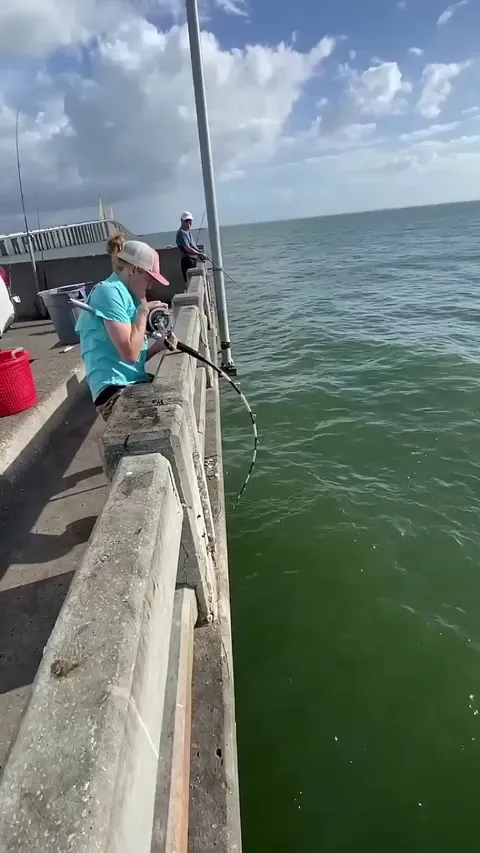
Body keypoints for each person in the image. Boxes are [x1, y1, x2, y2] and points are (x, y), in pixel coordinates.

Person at [76, 235, 177, 422]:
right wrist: (143, 313)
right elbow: (129, 355)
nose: (151, 284)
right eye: (149, 278)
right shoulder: (108, 292)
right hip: (114, 391)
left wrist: (159, 346)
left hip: (132, 383)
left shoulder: (130, 296)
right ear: (133, 270)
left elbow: (134, 357)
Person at [175, 212, 205, 283]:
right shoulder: (181, 233)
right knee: (189, 281)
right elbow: (187, 248)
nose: (188, 223)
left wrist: (200, 252)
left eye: (190, 221)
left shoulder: (188, 232)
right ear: (181, 221)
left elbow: (193, 246)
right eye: (186, 221)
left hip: (192, 259)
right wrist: (199, 253)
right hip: (186, 260)